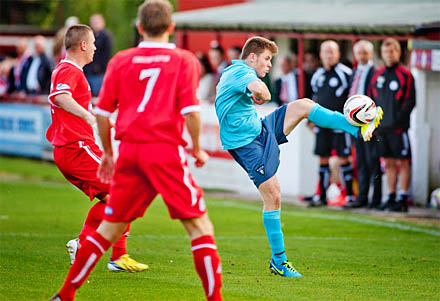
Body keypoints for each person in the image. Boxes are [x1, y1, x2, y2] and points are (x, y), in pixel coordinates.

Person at [50, 1, 223, 300]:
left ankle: (65, 295)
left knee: (108, 229)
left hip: (130, 153)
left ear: (139, 28)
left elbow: (103, 114)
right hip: (164, 151)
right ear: (171, 27)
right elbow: (191, 111)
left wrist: (107, 152)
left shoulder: (121, 60)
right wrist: (196, 148)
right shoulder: (185, 60)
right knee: (199, 226)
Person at [215, 36, 382, 278]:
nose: (270, 64)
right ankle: (279, 261)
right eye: (267, 59)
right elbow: (261, 90)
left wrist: (258, 93)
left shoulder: (239, 73)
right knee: (274, 196)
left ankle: (356, 128)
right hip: (246, 145)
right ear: (252, 57)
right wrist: (261, 93)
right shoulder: (239, 72)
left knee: (304, 104)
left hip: (260, 129)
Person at [46, 24, 148, 274]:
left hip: (73, 149)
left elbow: (69, 100)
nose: (95, 47)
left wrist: (100, 119)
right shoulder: (70, 70)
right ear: (82, 45)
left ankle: (85, 246)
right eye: (92, 43)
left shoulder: (68, 70)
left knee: (112, 198)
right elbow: (60, 96)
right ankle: (118, 256)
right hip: (76, 148)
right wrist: (89, 118)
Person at [370, 38, 416, 212]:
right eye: (385, 51)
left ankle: (402, 197)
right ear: (381, 53)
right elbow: (371, 101)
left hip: (398, 129)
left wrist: (398, 121)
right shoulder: (377, 75)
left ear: (398, 52)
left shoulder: (406, 75)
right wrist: (374, 123)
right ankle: (390, 196)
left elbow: (410, 101)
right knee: (388, 163)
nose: (389, 55)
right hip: (381, 130)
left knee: (403, 162)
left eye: (392, 51)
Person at [309, 40, 355, 207]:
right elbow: (315, 98)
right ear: (321, 55)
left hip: (340, 124)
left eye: (332, 52)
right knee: (323, 159)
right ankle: (321, 196)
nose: (329, 55)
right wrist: (311, 119)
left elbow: (353, 99)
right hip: (322, 124)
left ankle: (350, 196)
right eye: (325, 52)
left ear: (338, 54)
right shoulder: (317, 75)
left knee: (344, 158)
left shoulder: (346, 73)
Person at [343, 40, 382, 209]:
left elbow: (378, 99)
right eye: (359, 53)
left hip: (371, 125)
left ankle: (376, 199)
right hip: (355, 124)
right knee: (360, 161)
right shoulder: (354, 73)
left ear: (371, 54)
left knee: (373, 161)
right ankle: (363, 197)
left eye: (365, 52)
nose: (362, 56)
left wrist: (373, 123)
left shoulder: (376, 73)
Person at [84, 13, 113, 96]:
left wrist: (99, 67)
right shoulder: (90, 36)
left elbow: (106, 54)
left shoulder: (106, 36)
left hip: (99, 72)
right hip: (88, 70)